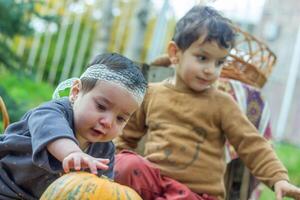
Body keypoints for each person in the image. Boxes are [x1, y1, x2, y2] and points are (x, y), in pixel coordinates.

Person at [113, 6, 300, 200]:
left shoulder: (222, 103)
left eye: (219, 62)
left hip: (196, 195)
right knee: (125, 164)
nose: (211, 70)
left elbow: (252, 144)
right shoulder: (152, 93)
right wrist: (114, 161)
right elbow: (125, 136)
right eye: (202, 58)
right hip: (156, 183)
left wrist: (278, 178)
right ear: (175, 53)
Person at [0, 53, 147, 200]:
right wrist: (72, 152)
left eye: (120, 118)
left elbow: (101, 189)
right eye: (101, 106)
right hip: (5, 186)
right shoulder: (51, 112)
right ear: (76, 92)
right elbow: (52, 131)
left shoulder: (104, 150)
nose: (108, 122)